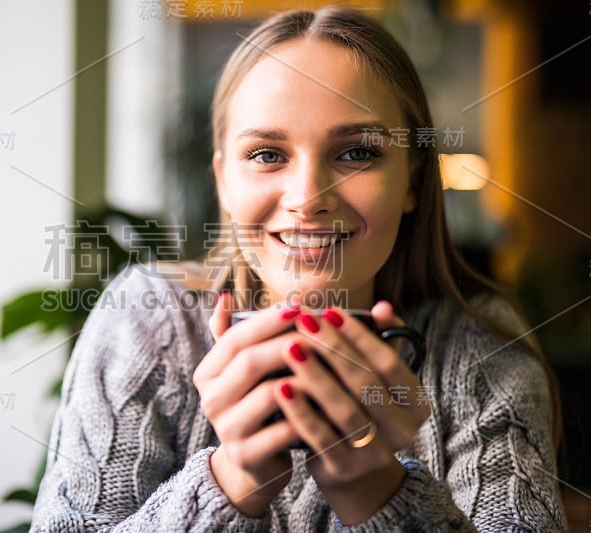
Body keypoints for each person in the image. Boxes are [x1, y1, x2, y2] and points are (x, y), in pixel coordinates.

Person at [30, 6, 566, 532]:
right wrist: (229, 481)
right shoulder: (148, 320)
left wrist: (381, 496)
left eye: (356, 152)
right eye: (266, 154)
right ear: (223, 181)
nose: (308, 199)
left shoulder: (479, 348)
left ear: (412, 181)